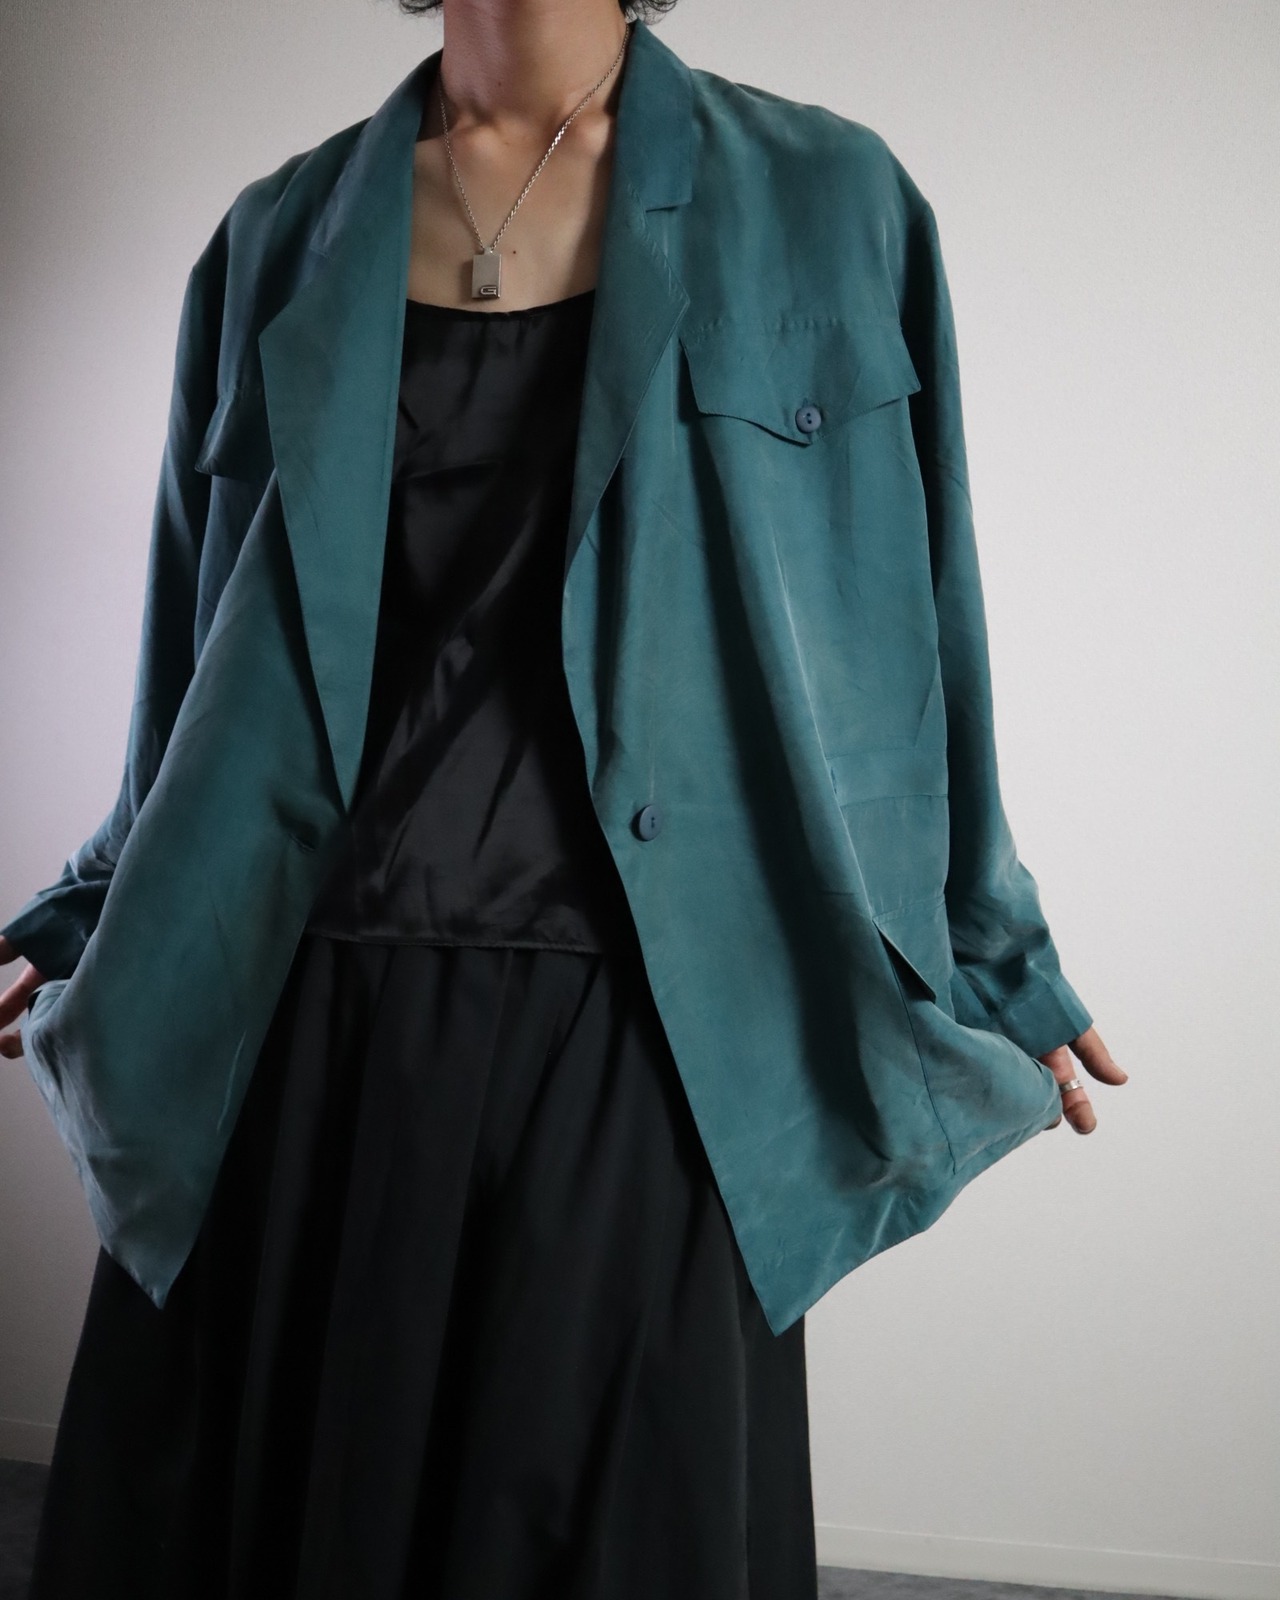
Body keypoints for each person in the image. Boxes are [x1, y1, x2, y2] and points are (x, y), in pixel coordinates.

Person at [0, 1, 1127, 1595]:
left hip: (654, 1031)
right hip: (310, 1011)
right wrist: (94, 902)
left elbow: (915, 628)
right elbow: (194, 655)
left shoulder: (832, 201)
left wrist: (994, 946)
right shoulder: (279, 235)